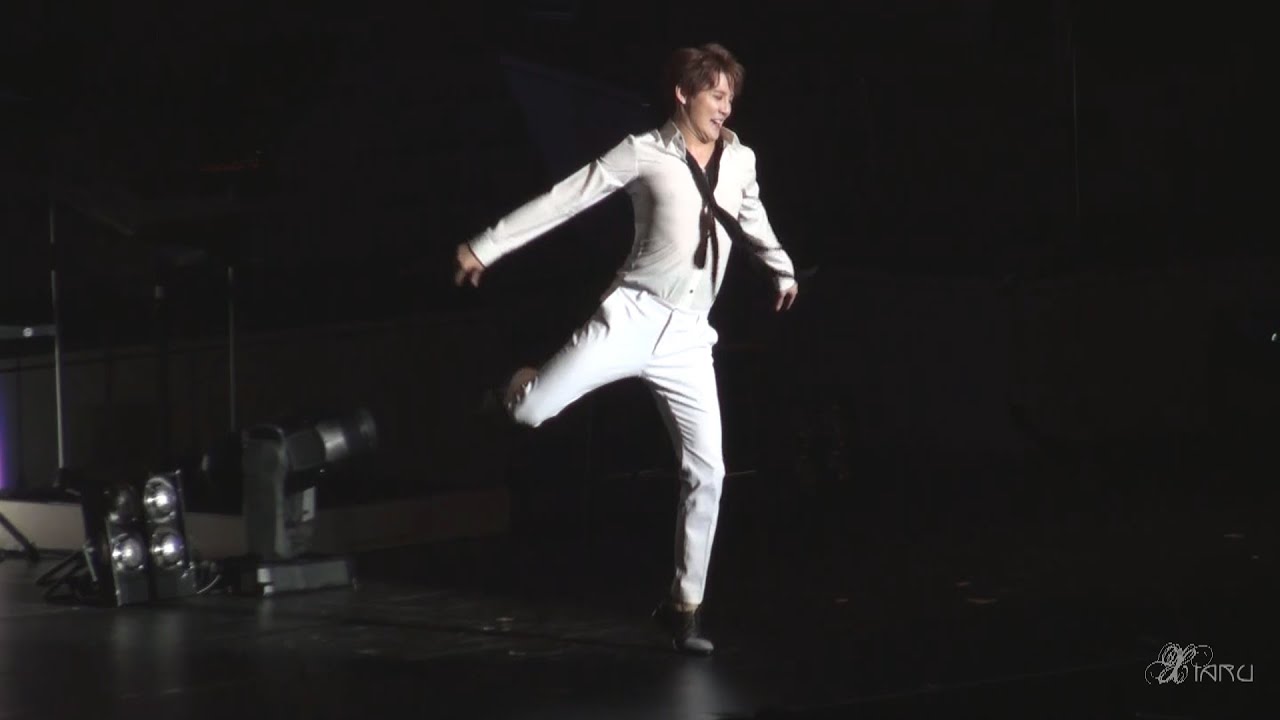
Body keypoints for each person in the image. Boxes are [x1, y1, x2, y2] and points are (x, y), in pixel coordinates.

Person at [453, 43, 799, 656]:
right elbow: (567, 197)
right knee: (530, 413)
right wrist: (487, 244)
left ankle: (683, 608)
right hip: (632, 316)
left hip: (689, 335)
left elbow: (752, 216)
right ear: (683, 94)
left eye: (730, 97)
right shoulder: (643, 152)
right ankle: (519, 383)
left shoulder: (740, 159)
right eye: (716, 94)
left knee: (709, 471)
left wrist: (782, 268)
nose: (726, 106)